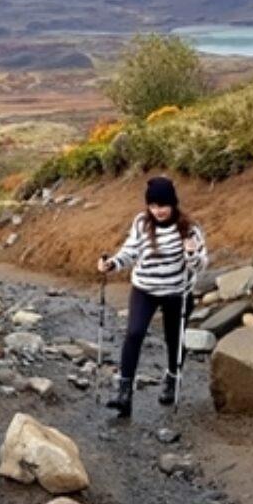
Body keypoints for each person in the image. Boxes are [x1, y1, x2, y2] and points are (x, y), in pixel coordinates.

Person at [96, 176, 208, 418]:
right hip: (144, 289)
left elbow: (200, 266)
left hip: (177, 292)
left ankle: (171, 378)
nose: (158, 211)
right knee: (134, 333)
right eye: (153, 205)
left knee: (173, 338)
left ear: (173, 204)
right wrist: (113, 263)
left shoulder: (190, 229)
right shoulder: (141, 223)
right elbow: (131, 250)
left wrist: (191, 254)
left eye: (163, 205)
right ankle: (124, 394)